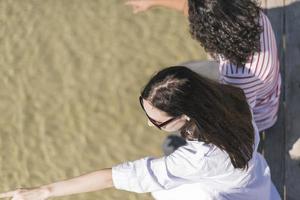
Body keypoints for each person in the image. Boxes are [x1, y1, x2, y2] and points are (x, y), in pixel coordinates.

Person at [0, 66, 281, 200]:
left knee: (160, 189)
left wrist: (43, 191)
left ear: (185, 116)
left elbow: (119, 176)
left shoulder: (198, 160)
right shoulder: (231, 97)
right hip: (253, 179)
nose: (149, 125)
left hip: (226, 189)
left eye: (156, 122)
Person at [125, 0, 281, 134]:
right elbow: (200, 8)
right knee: (179, 74)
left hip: (258, 116)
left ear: (212, 37)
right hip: (259, 88)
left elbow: (236, 120)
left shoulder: (238, 76)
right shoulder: (251, 16)